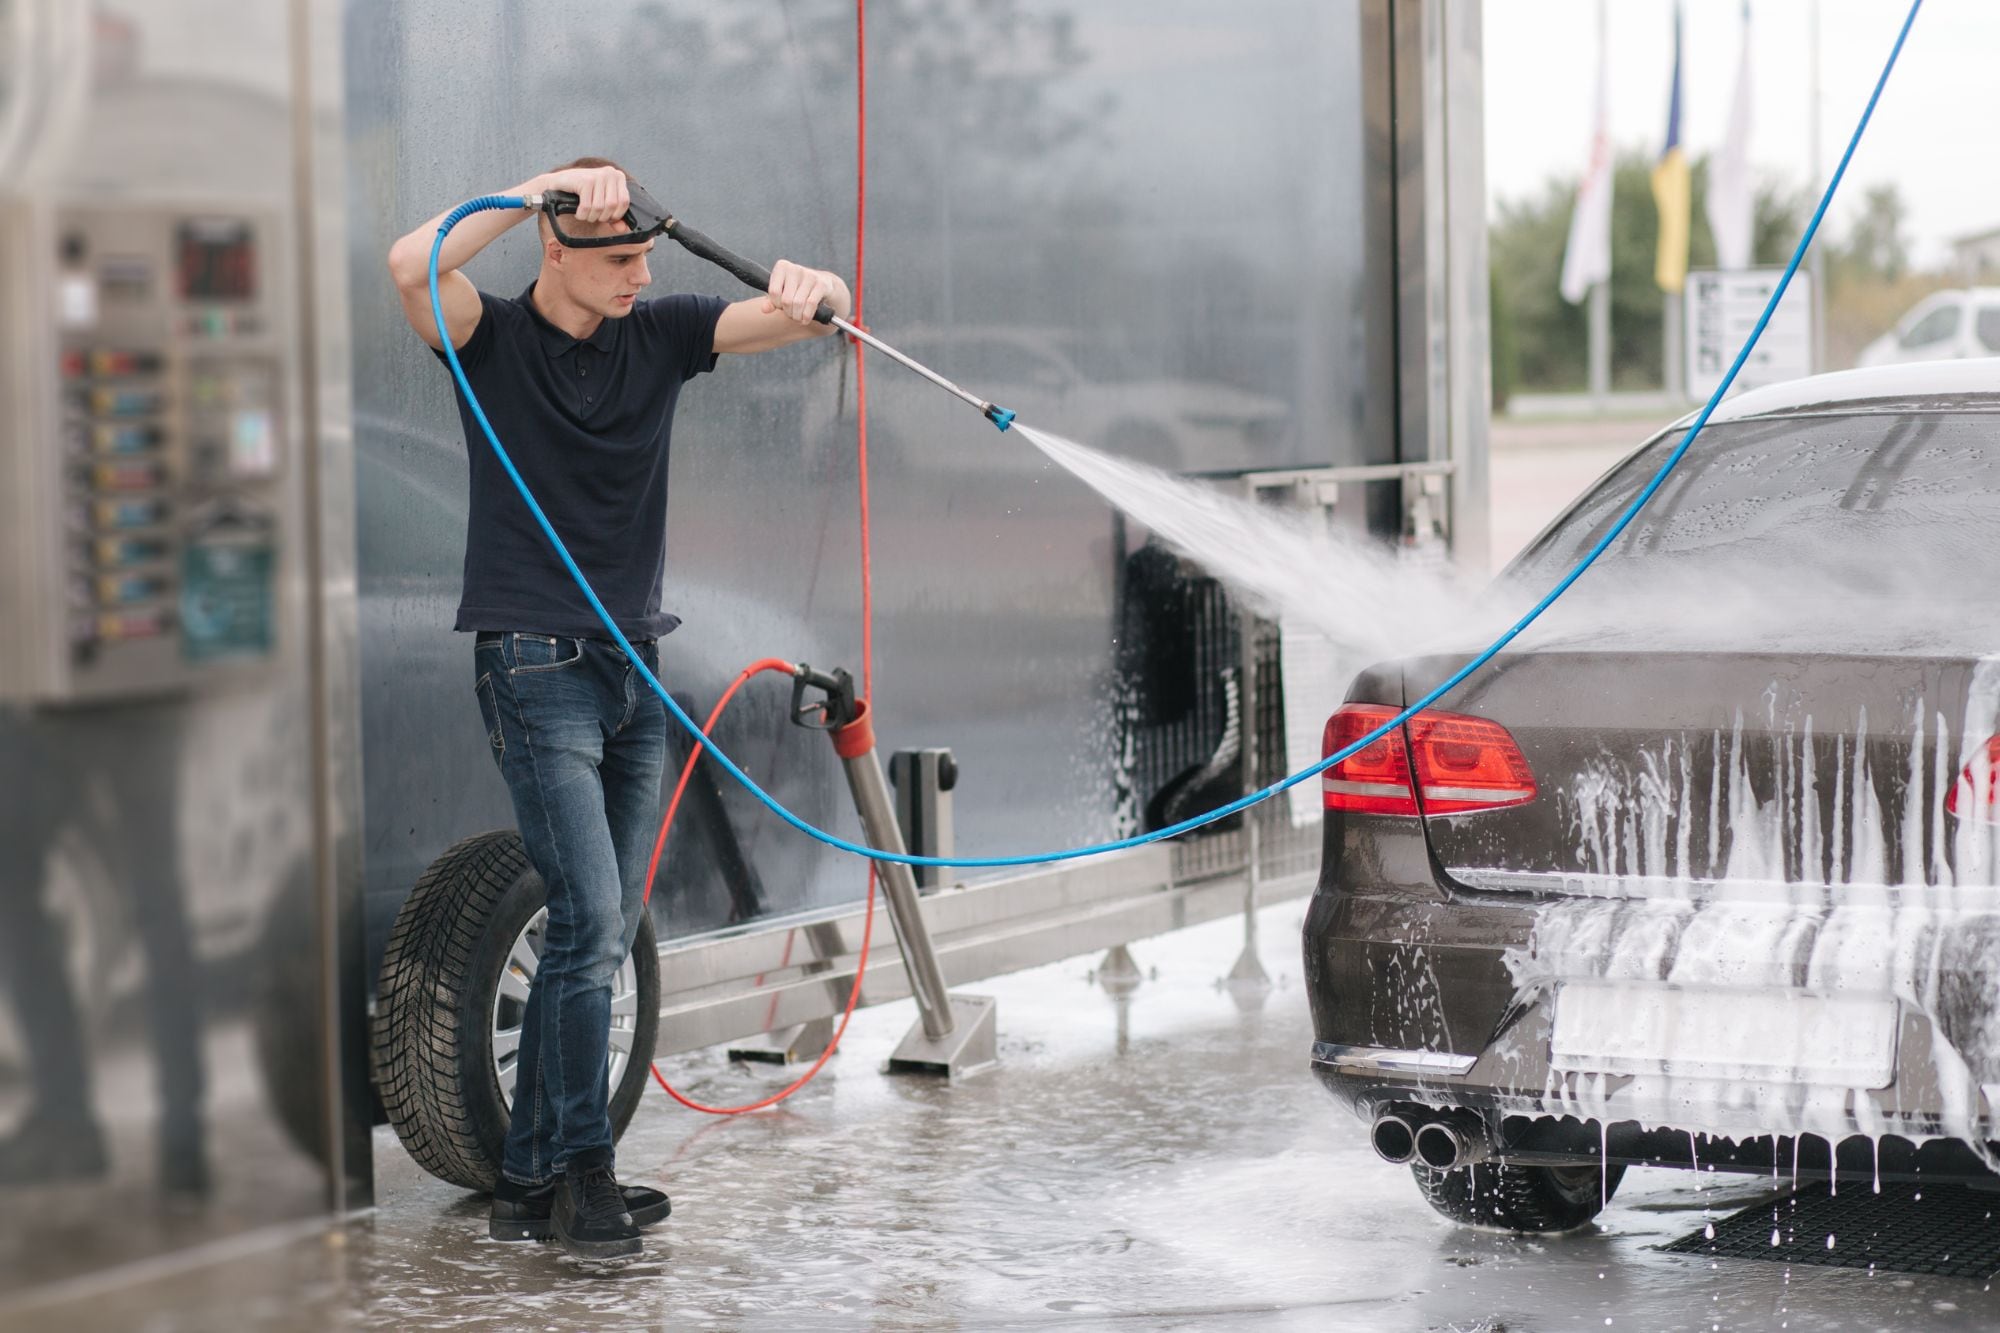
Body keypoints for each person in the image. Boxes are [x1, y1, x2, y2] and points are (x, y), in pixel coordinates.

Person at [386, 157, 850, 1260]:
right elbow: (410, 263)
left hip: (634, 666)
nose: (641, 276)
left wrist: (815, 288)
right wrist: (533, 187)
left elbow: (811, 319)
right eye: (620, 260)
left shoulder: (665, 333)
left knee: (596, 929)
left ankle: (529, 1178)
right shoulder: (489, 341)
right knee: (590, 919)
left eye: (647, 256)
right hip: (534, 665)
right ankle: (585, 1175)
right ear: (557, 249)